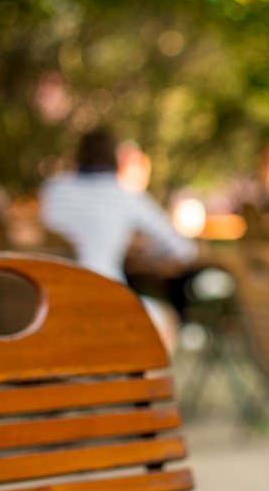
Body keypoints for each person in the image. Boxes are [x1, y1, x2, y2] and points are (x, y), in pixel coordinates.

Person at [39, 127, 198, 349]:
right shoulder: (123, 194)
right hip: (108, 300)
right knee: (166, 317)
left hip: (52, 303)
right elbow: (183, 249)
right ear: (114, 158)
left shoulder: (54, 190)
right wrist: (150, 255)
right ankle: (154, 383)